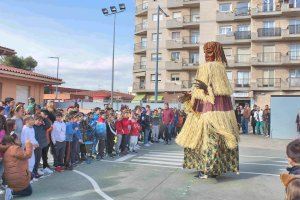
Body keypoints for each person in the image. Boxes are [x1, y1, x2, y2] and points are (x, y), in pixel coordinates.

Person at [176, 41, 239, 179]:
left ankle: (207, 170)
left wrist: (204, 92)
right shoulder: (215, 68)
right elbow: (200, 90)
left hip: (212, 111)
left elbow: (210, 91)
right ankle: (211, 169)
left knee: (210, 140)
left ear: (216, 53)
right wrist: (191, 96)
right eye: (205, 52)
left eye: (209, 52)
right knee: (205, 138)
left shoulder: (213, 67)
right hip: (208, 109)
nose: (206, 55)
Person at [1, 135, 33, 200]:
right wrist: (28, 144)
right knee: (29, 191)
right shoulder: (15, 148)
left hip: (9, 179)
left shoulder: (6, 150)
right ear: (13, 141)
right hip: (18, 177)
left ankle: (12, 189)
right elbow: (28, 155)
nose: (19, 140)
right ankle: (12, 192)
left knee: (31, 174)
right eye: (17, 139)